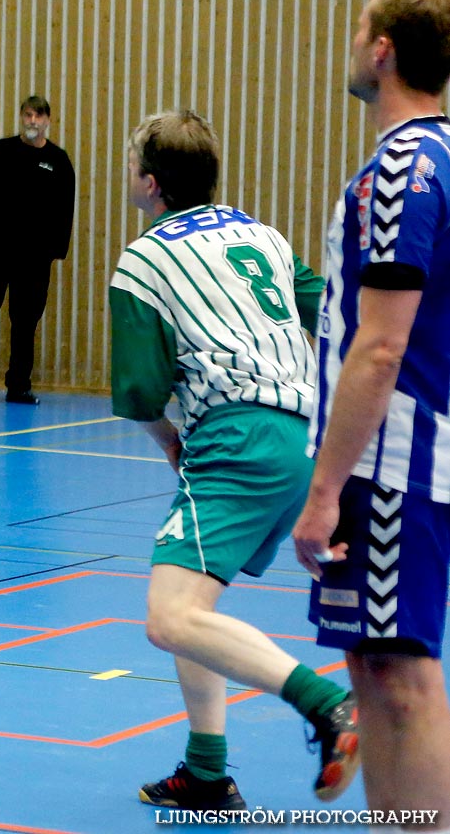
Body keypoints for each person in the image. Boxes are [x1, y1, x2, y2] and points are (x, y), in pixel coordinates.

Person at [110, 109, 360, 811]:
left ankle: (327, 706)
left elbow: (136, 394)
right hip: (305, 436)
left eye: (130, 162)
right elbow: (335, 316)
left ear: (150, 183)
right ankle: (206, 772)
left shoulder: (144, 258)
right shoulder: (264, 236)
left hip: (235, 436)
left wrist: (171, 443)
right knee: (194, 603)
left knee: (167, 618)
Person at [292, 0, 450, 827]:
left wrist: (322, 490)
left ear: (381, 48)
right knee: (372, 664)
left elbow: (381, 343)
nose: (351, 43)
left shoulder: (402, 169)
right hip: (397, 457)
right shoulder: (438, 158)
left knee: (400, 676)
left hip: (392, 461)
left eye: (358, 29)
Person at [0, 95, 74, 405]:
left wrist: (53, 251)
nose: (33, 121)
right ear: (21, 117)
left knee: (25, 322)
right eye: (28, 115)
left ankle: (19, 385)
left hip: (33, 259)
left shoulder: (58, 162)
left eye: (39, 116)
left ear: (48, 120)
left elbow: (63, 210)